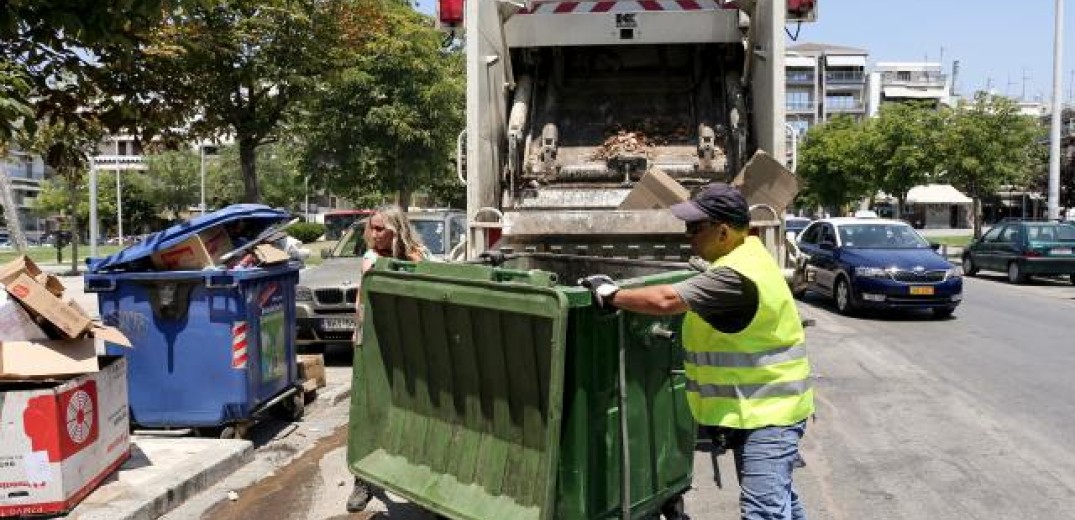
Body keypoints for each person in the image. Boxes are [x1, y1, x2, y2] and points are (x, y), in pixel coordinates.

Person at [581, 183, 813, 520]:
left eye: (695, 228)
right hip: (763, 410)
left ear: (722, 232)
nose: (688, 235)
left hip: (770, 415)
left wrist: (611, 294)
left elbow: (666, 301)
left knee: (763, 511)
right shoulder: (748, 256)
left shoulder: (735, 276)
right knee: (780, 501)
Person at [347, 204, 429, 513]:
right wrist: (359, 336)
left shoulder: (417, 254)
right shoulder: (371, 259)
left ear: (397, 230)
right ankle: (362, 479)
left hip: (411, 344)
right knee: (368, 409)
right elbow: (363, 301)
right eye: (372, 227)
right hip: (376, 342)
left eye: (381, 228)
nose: (373, 234)